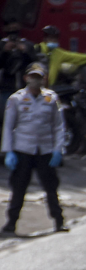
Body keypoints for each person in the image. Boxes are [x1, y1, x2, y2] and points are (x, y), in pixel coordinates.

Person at [2, 63, 66, 235]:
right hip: (23, 149)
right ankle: (11, 224)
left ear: (44, 79)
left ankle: (59, 222)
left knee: (51, 188)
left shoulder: (51, 98)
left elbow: (58, 126)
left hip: (45, 150)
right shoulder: (16, 99)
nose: (36, 81)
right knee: (19, 187)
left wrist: (58, 150)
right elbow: (8, 126)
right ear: (26, 78)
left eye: (39, 77)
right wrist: (8, 151)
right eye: (33, 77)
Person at [0, 23, 36, 103]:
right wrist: (5, 52)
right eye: (10, 29)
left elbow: (33, 63)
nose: (13, 32)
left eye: (15, 28)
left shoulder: (28, 45)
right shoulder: (2, 44)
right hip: (5, 86)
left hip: (23, 86)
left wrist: (24, 51)